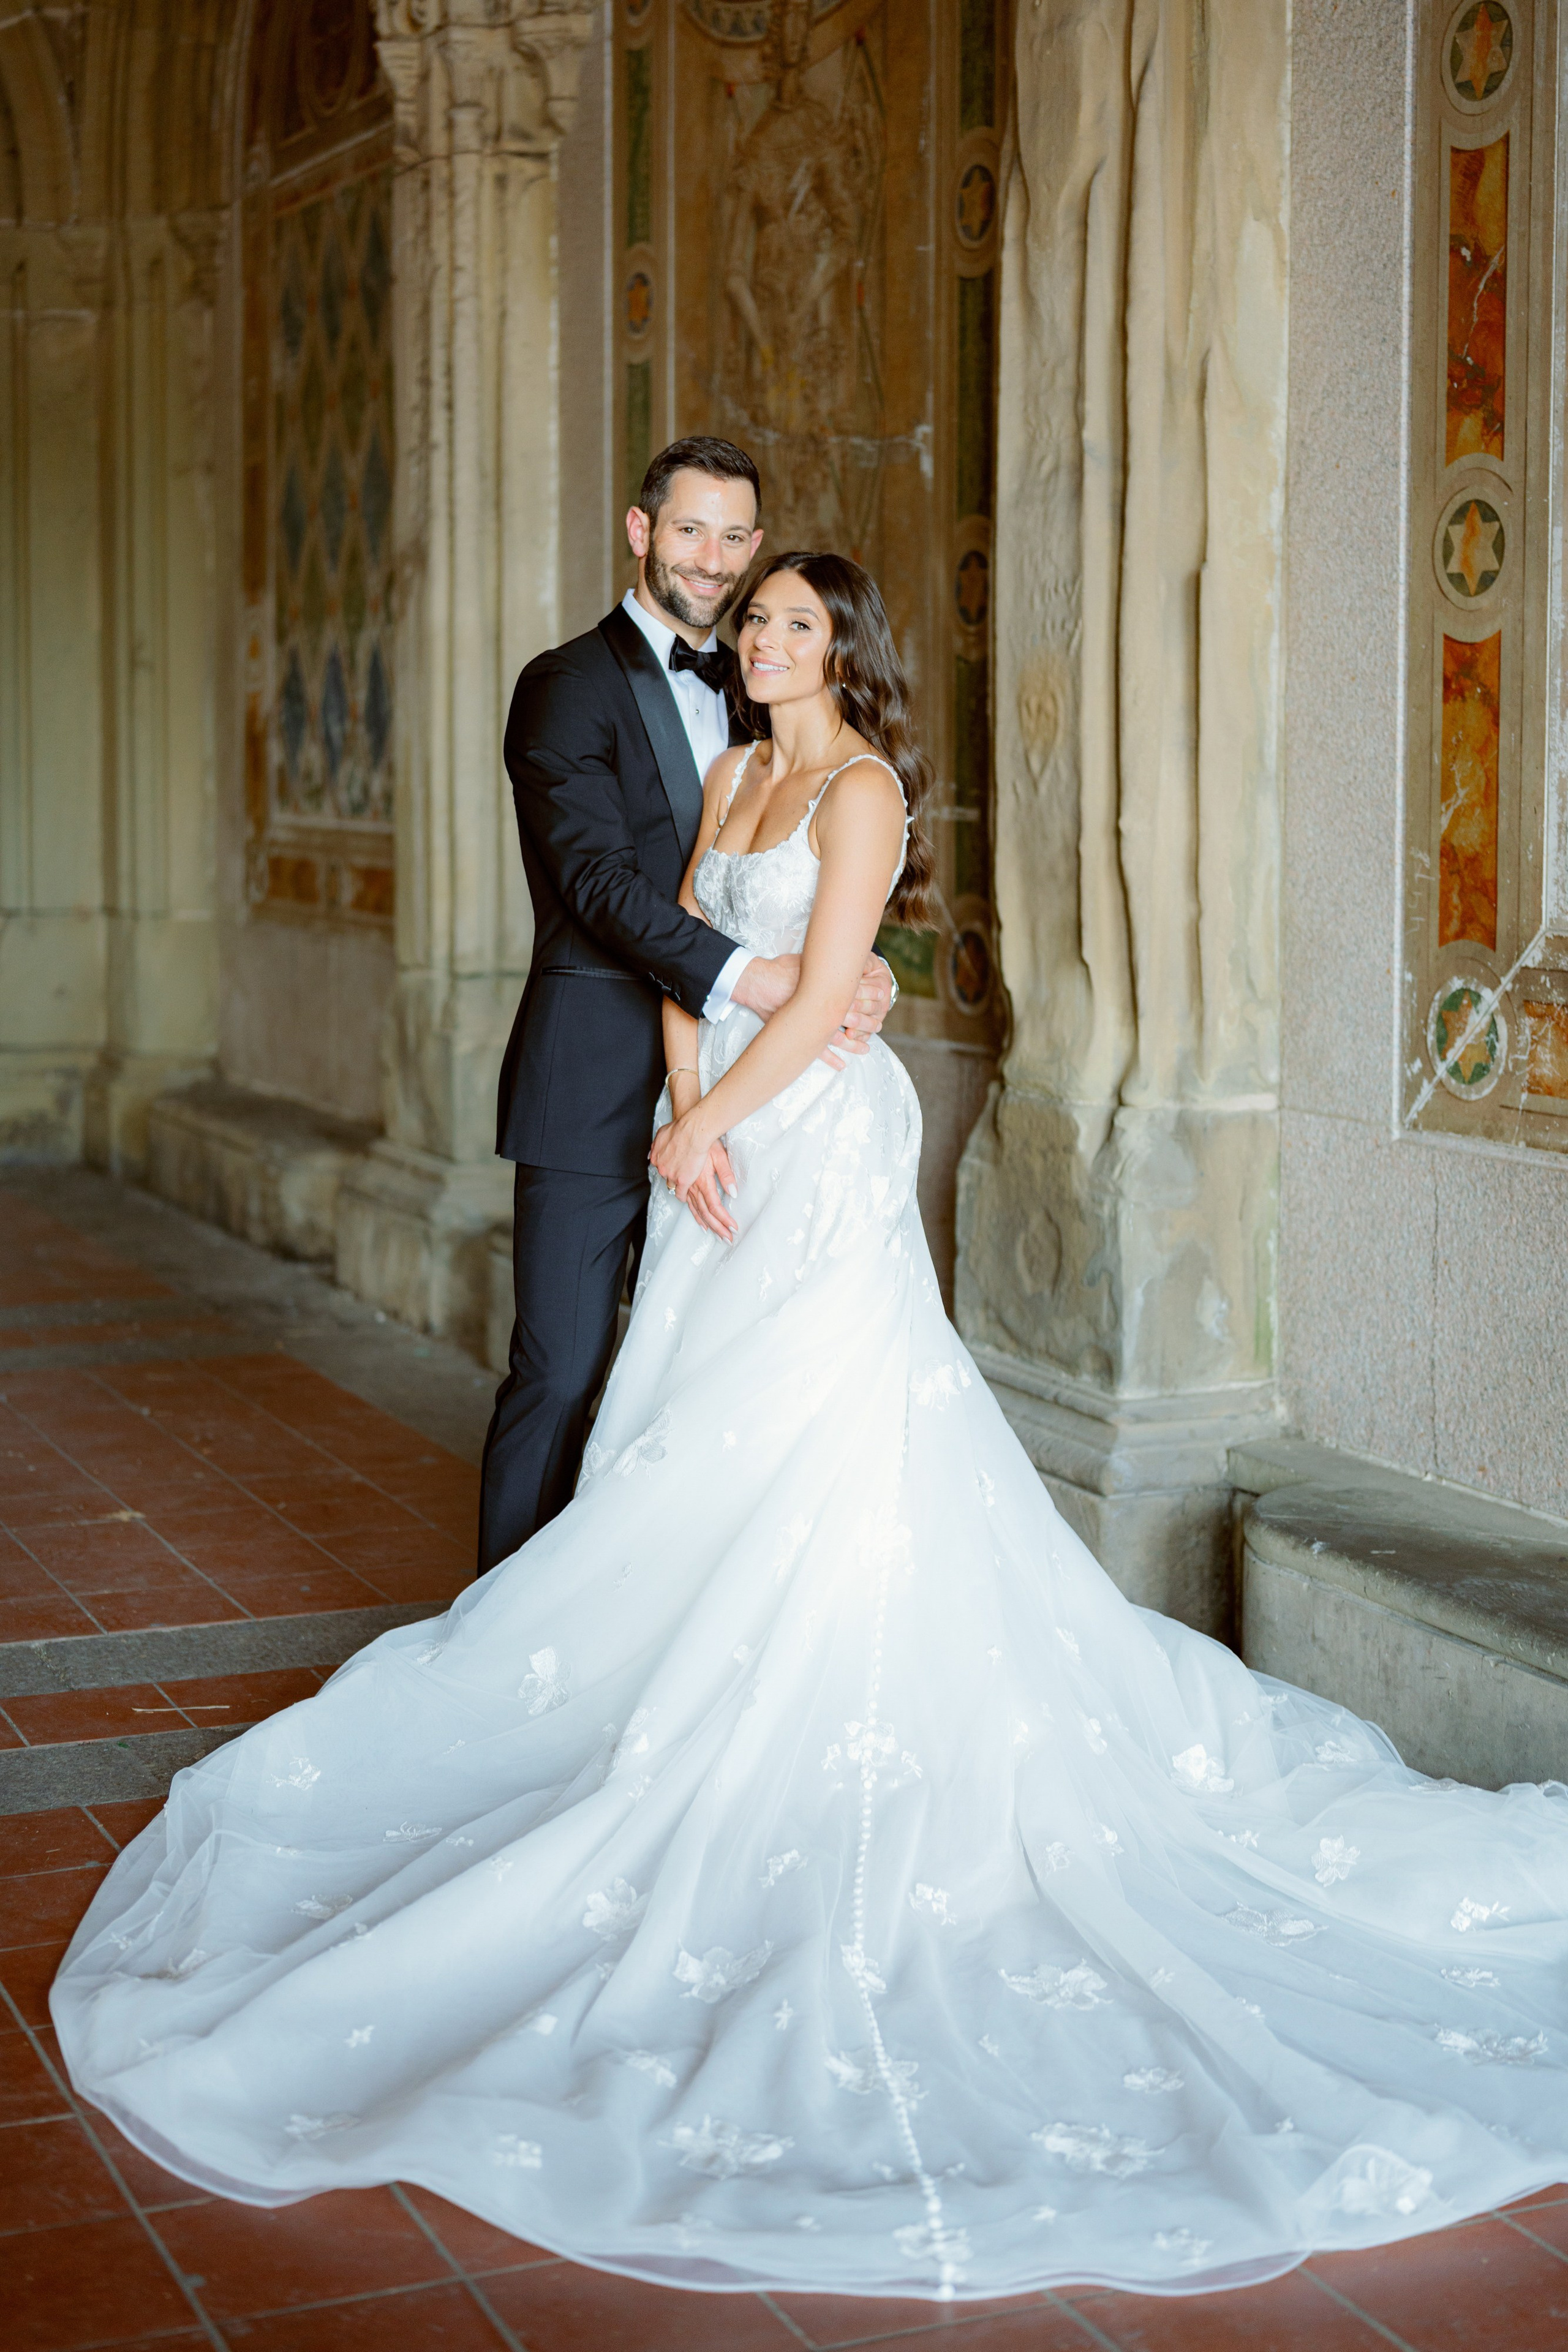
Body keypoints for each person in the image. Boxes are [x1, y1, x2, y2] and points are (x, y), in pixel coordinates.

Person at [51, 554, 1568, 2304]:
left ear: (845, 654)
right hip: (719, 1144)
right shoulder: (733, 774)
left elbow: (840, 981)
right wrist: (684, 1107)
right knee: (683, 1447)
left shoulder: (857, 788)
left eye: (797, 626)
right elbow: (696, 959)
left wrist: (723, 1132)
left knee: (826, 1445)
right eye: (756, 621)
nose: (767, 642)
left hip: (814, 1156)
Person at [478, 435, 894, 1574]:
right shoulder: (566, 685)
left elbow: (812, 872)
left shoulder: (769, 712)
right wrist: (763, 981)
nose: (710, 562)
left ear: (755, 550)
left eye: (732, 538)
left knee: (696, 1386)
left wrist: (856, 972)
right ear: (640, 531)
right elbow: (598, 882)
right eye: (688, 530)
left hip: (749, 1095)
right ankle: (502, 1634)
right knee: (561, 1372)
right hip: (597, 1071)